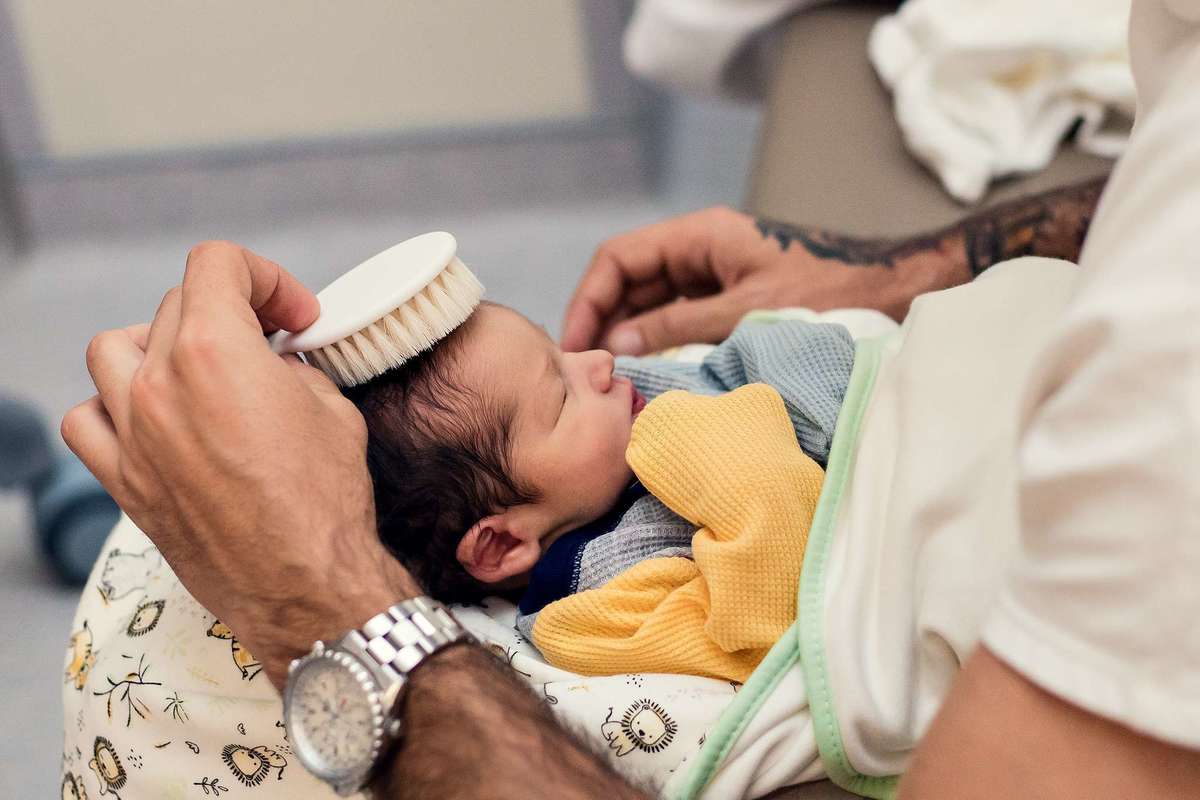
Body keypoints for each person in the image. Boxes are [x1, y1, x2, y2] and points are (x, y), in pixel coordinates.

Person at [64, 1, 1200, 797]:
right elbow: (754, 614)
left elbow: (826, 372)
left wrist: (318, 596)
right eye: (561, 398)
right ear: (503, 541)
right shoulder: (595, 604)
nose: (600, 365)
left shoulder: (1163, 378)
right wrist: (742, 415)